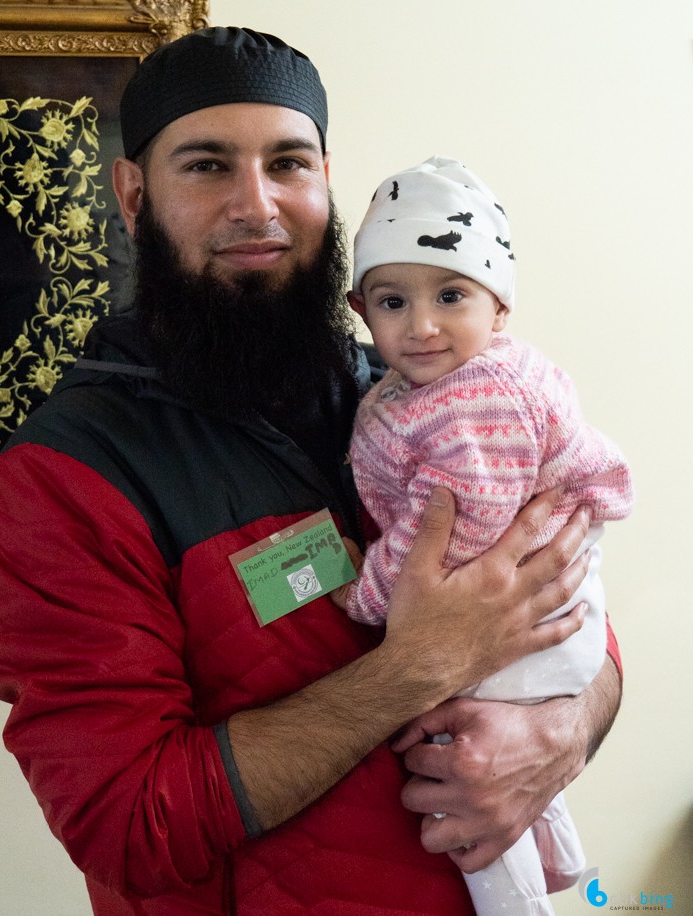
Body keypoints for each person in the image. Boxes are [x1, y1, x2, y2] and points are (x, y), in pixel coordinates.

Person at [0, 27, 623, 915]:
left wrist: (564, 726)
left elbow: (566, 588)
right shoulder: (66, 476)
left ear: (327, 178)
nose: (259, 205)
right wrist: (418, 666)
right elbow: (130, 825)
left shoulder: (416, 391)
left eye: (288, 163)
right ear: (132, 195)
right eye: (206, 165)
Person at [331, 156, 633, 914]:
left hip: (536, 617)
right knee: (506, 756)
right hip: (541, 607)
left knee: (457, 768)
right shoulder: (427, 385)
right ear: (361, 309)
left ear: (499, 307)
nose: (422, 325)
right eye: (394, 301)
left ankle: (517, 902)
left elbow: (458, 530)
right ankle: (559, 855)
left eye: (452, 295)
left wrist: (366, 593)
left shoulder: (478, 398)